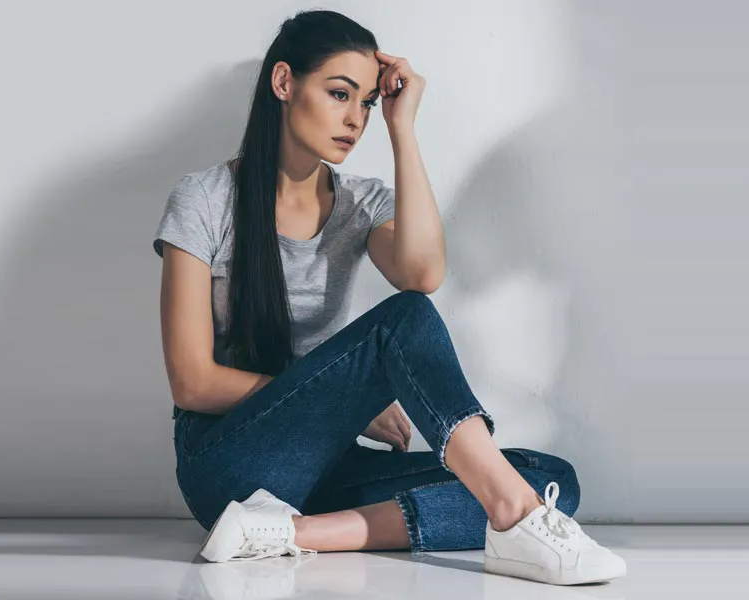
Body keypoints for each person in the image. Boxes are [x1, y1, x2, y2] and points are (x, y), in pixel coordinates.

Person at [152, 9, 626, 586]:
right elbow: (192, 381)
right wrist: (342, 397)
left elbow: (423, 271)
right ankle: (515, 518)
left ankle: (284, 534)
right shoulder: (203, 200)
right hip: (227, 464)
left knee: (551, 478)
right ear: (284, 83)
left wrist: (404, 129)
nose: (356, 119)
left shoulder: (360, 203)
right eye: (339, 94)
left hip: (320, 468)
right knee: (403, 322)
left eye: (369, 103)